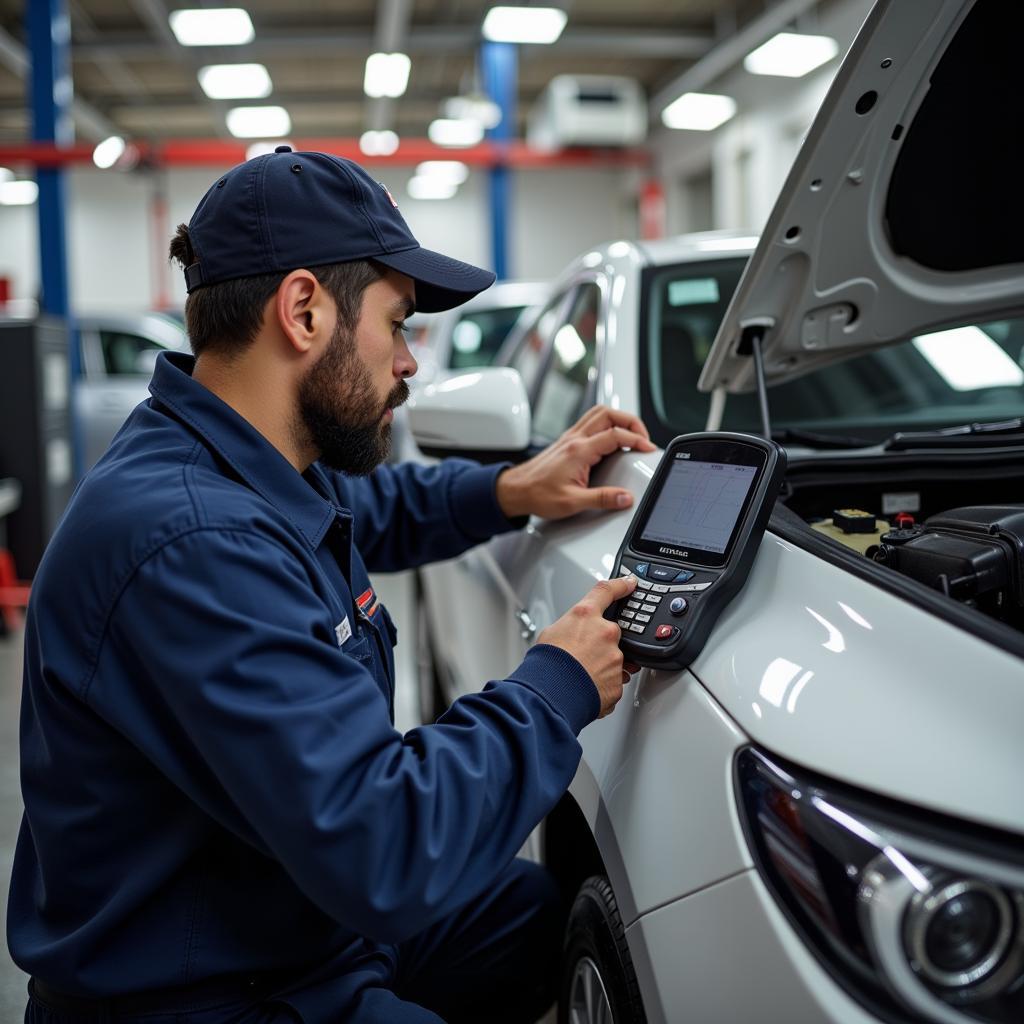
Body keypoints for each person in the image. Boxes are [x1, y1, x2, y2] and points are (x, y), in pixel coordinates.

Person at [7, 148, 655, 1023]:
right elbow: (384, 847)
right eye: (398, 324)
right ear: (304, 310)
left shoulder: (233, 456)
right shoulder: (191, 543)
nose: (410, 363)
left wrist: (509, 490)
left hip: (277, 915)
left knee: (524, 913)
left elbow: (367, 506)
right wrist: (555, 683)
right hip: (200, 992)